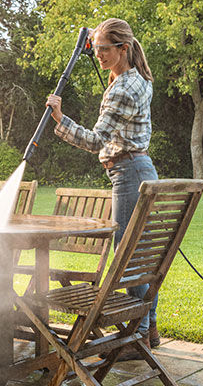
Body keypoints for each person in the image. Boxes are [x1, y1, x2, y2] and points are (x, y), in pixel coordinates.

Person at [45, 18, 160, 358]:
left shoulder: (124, 88)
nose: (98, 56)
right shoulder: (136, 78)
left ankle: (136, 336)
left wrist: (60, 119)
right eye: (95, 51)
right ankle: (148, 329)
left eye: (104, 50)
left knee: (128, 255)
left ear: (123, 48)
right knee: (141, 254)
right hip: (138, 169)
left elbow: (96, 140)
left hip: (129, 172)